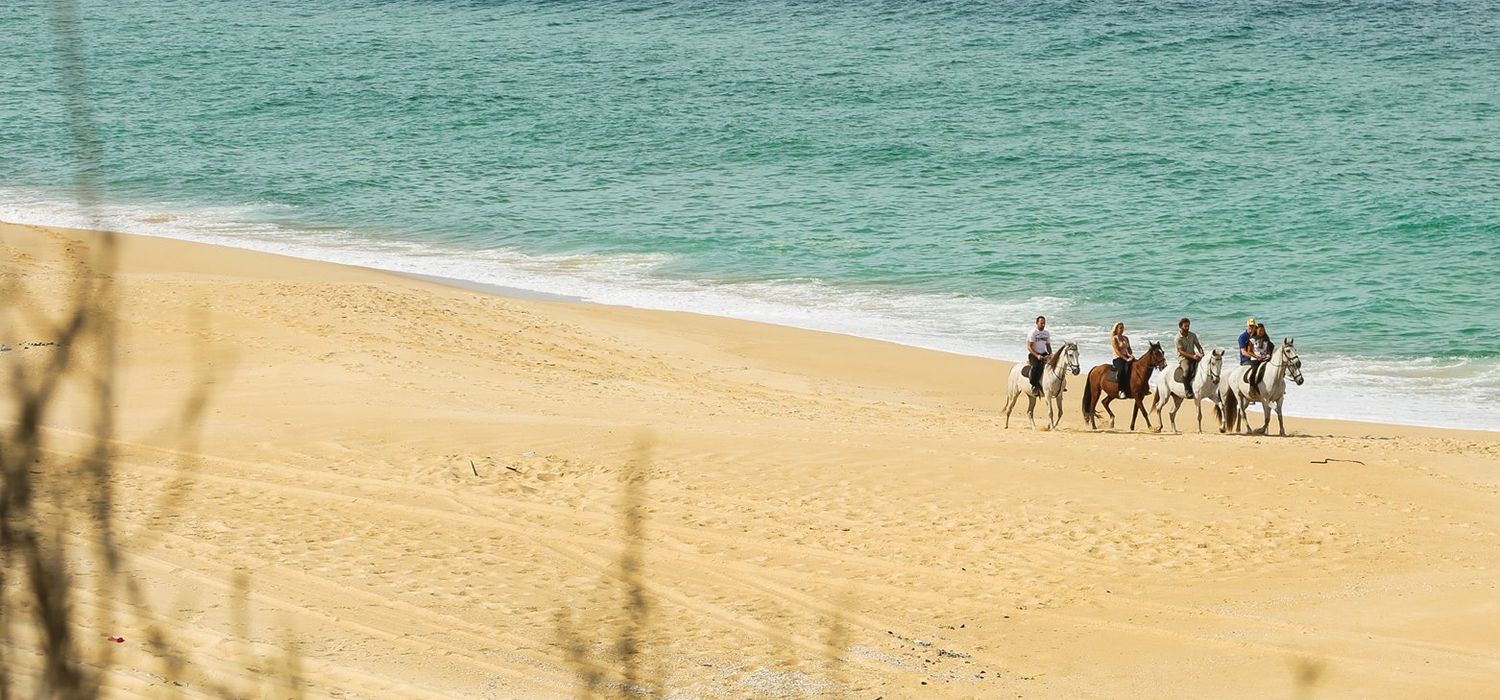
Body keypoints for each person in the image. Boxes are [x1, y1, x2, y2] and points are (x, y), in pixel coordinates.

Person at [1176, 317, 1204, 398]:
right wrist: (1192, 356)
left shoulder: (1192, 335)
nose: (1187, 328)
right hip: (1183, 358)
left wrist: (1202, 352)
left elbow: (1198, 345)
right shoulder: (1178, 338)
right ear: (1181, 327)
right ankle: (1187, 390)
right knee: (1187, 369)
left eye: (1188, 326)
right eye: (1185, 326)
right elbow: (1181, 351)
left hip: (1193, 356)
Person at [1025, 316, 1052, 397]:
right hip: (1034, 354)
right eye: (1041, 323)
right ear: (1037, 323)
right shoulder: (1033, 333)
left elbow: (1048, 345)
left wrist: (1050, 354)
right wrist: (1037, 356)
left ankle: (1056, 384)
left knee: (1054, 365)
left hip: (1043, 353)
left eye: (1044, 323)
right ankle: (1034, 385)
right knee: (1036, 366)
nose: (1043, 325)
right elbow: (1029, 347)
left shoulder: (1046, 333)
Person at [1110, 322, 1135, 399]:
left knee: (1138, 367)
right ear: (1116, 329)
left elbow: (1129, 349)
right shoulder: (1114, 338)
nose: (1122, 329)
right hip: (1118, 358)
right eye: (1120, 328)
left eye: (1123, 328)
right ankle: (1121, 390)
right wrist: (1126, 359)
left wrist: (1130, 354)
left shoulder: (1125, 338)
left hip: (1126, 356)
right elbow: (1117, 351)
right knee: (1121, 371)